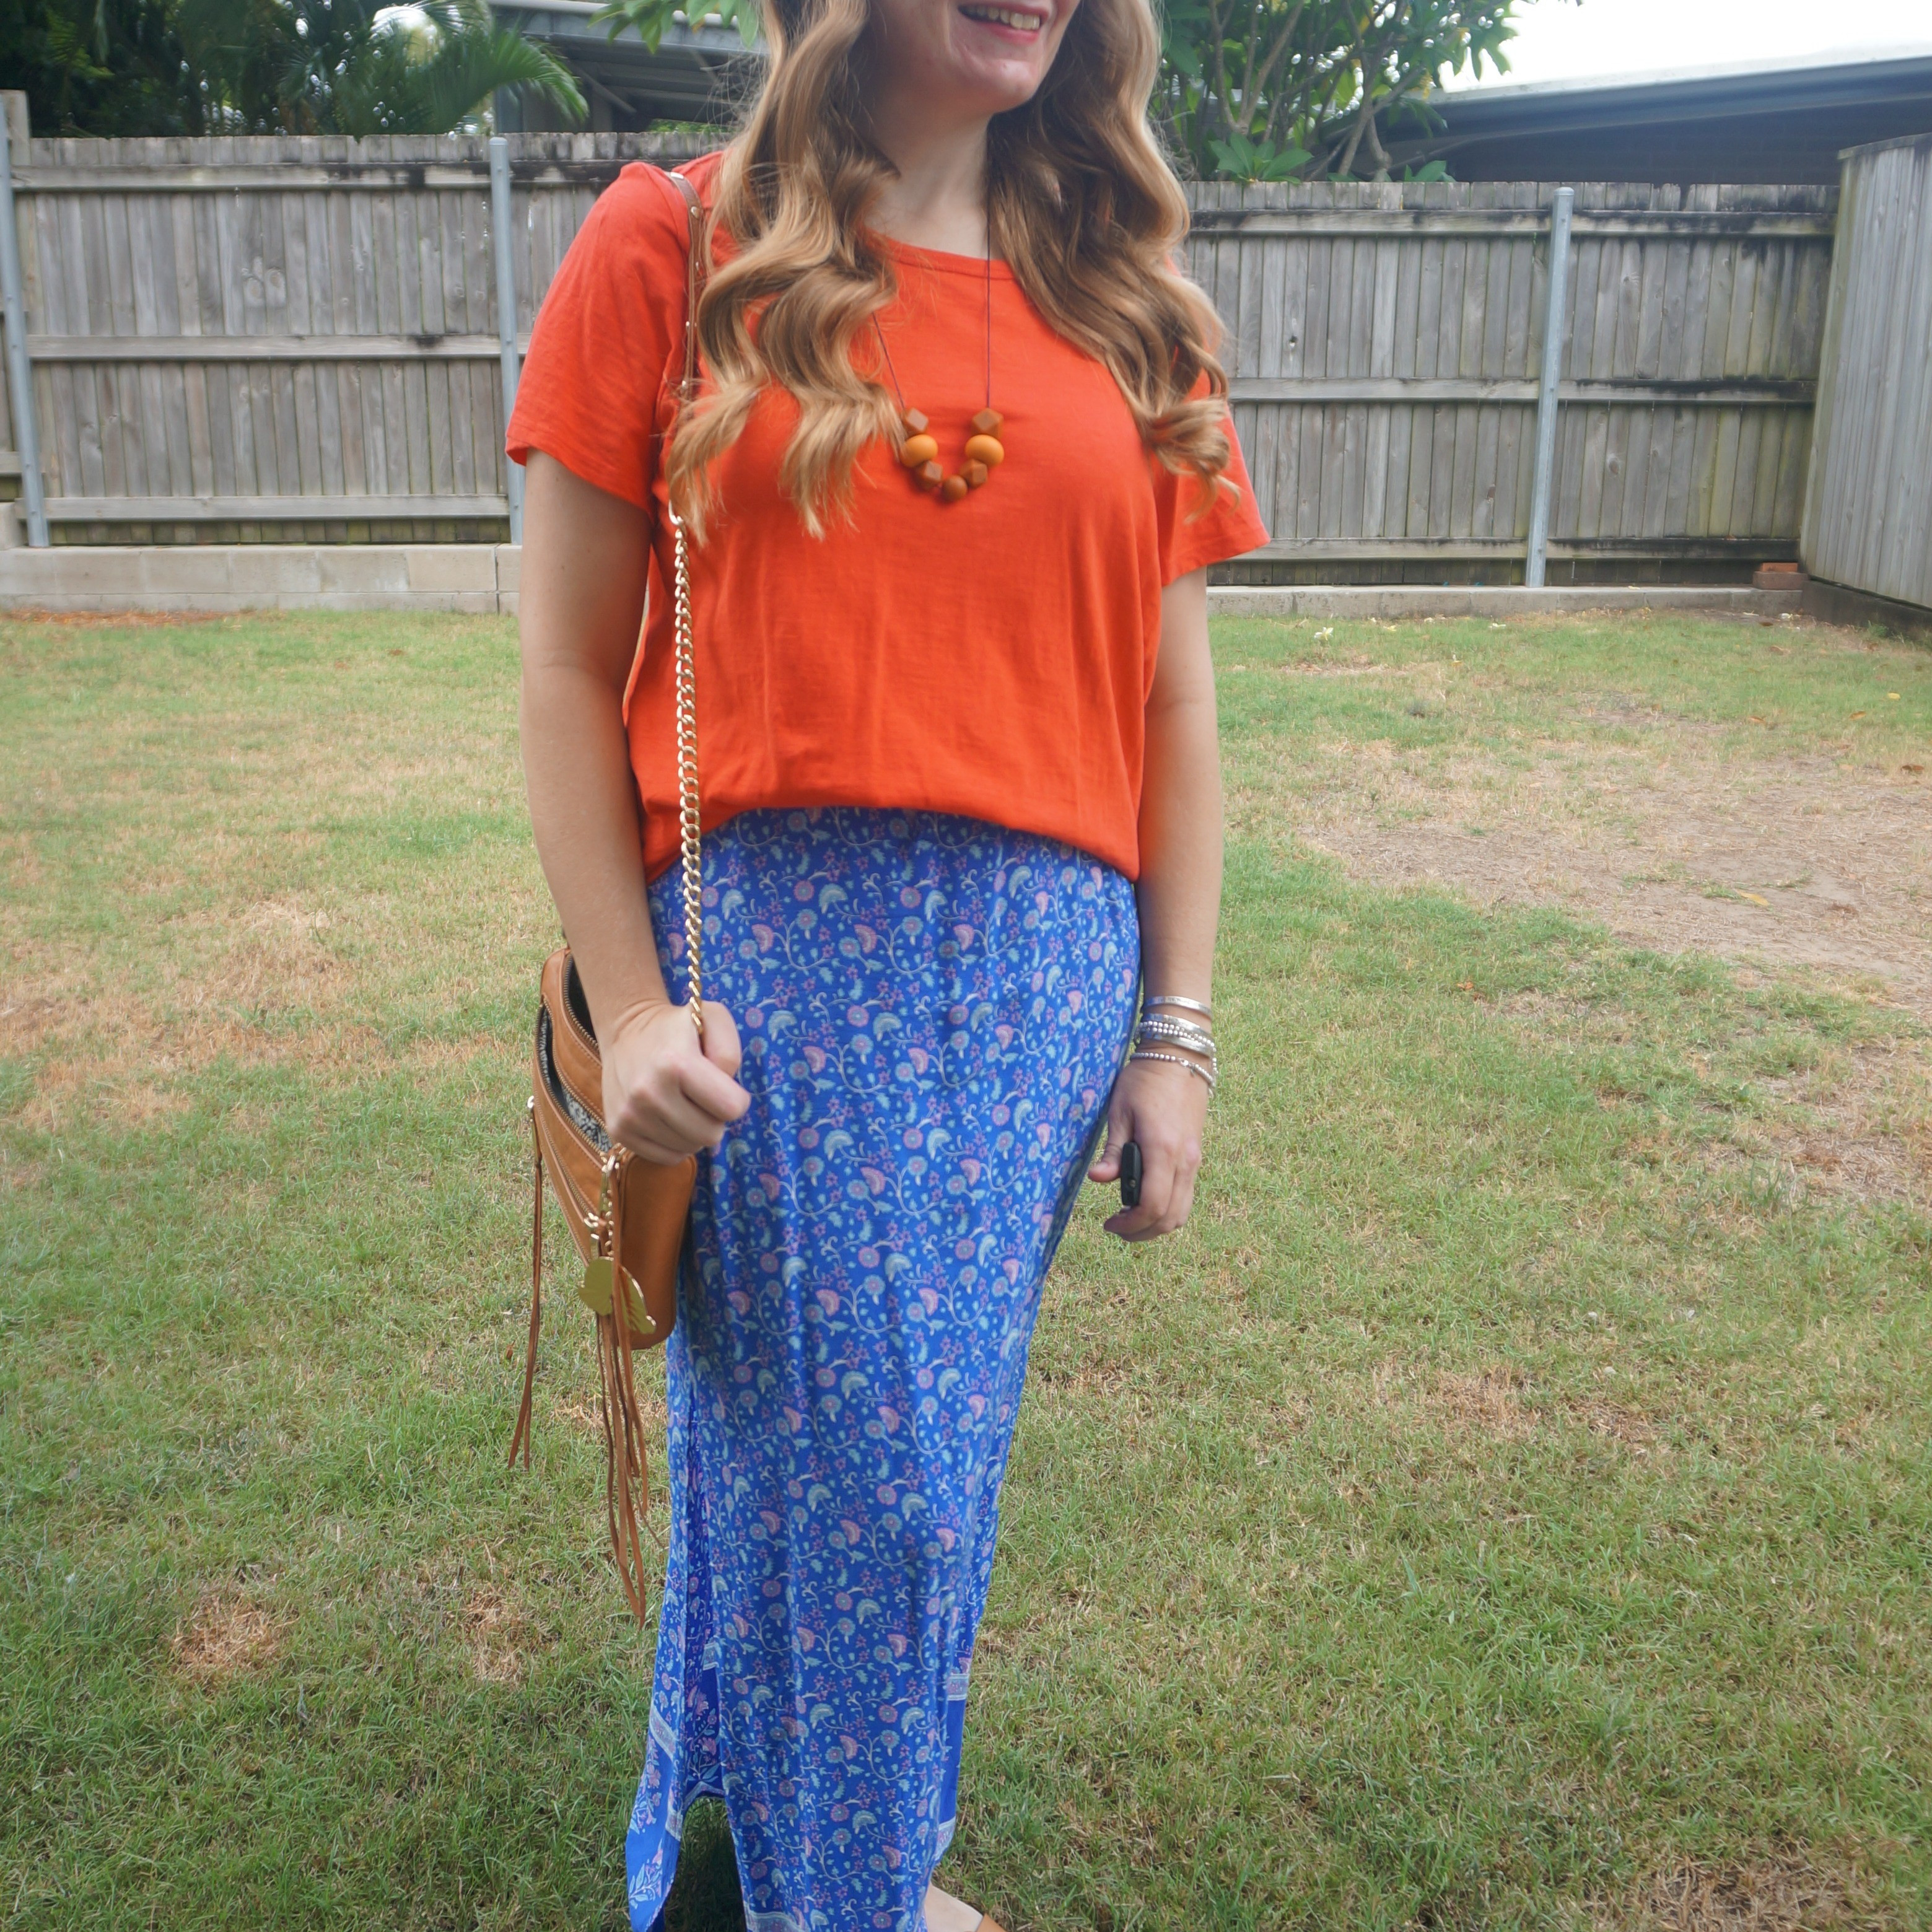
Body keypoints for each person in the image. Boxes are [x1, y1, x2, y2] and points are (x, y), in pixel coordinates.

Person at [507, 0, 1268, 1915]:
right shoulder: (670, 252)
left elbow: (1177, 711)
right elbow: (558, 666)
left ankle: (756, 1836)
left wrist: (1175, 1039)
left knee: (878, 1471)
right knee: (886, 1495)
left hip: (1039, 1000)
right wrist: (626, 1008)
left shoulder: (1133, 303)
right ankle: (847, 1891)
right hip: (769, 985)